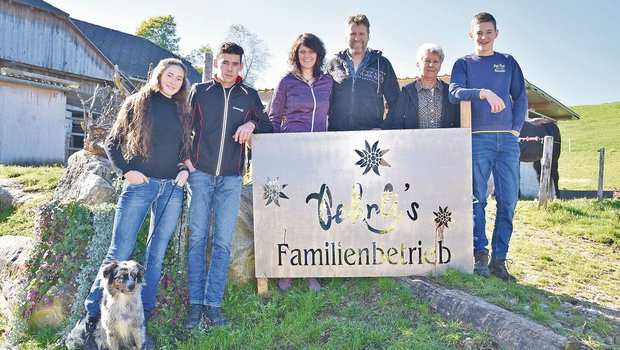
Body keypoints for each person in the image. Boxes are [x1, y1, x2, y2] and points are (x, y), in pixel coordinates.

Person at [73, 58, 192, 348]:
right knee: (119, 249)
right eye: (170, 75)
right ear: (159, 75)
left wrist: (185, 169)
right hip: (140, 186)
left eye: (179, 78)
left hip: (171, 189)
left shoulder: (182, 109)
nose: (174, 82)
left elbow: (184, 149)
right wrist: (127, 171)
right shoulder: (138, 102)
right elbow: (112, 142)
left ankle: (142, 321)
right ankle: (90, 322)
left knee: (156, 253)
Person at [183, 42, 273, 329]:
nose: (229, 68)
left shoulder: (248, 96)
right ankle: (195, 305)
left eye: (234, 64)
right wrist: (187, 163)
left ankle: (213, 304)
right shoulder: (199, 92)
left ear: (240, 67)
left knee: (222, 242)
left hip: (232, 179)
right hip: (200, 175)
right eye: (224, 63)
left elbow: (267, 126)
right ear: (215, 64)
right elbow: (182, 128)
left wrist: (252, 127)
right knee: (197, 239)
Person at [449, 12, 527, 282]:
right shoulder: (463, 63)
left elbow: (521, 98)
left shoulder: (508, 63)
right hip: (478, 138)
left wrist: (515, 130)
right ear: (471, 35)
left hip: (506, 141)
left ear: (496, 33)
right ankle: (479, 255)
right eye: (478, 32)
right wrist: (483, 92)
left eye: (488, 32)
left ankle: (499, 260)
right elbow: (454, 92)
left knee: (508, 201)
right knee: (477, 200)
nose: (483, 37)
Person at [268, 33, 334, 292]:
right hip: (289, 153)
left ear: (318, 55)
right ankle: (286, 271)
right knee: (290, 213)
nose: (307, 56)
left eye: (312, 52)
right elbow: (274, 117)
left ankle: (311, 272)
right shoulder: (286, 81)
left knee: (315, 212)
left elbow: (332, 115)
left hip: (318, 154)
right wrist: (273, 151)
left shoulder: (327, 82)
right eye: (302, 52)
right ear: (296, 54)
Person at [326, 13, 400, 131]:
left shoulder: (383, 64)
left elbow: (396, 103)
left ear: (368, 36)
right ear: (346, 36)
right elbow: (323, 101)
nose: (357, 38)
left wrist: (383, 127)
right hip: (337, 135)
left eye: (361, 34)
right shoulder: (332, 65)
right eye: (352, 34)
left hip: (370, 137)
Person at [390, 43, 460, 129]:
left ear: (440, 65)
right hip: (414, 142)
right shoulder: (406, 93)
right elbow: (397, 123)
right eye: (427, 61)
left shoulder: (449, 92)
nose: (431, 65)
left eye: (436, 61)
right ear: (418, 64)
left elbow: (457, 123)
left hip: (445, 142)